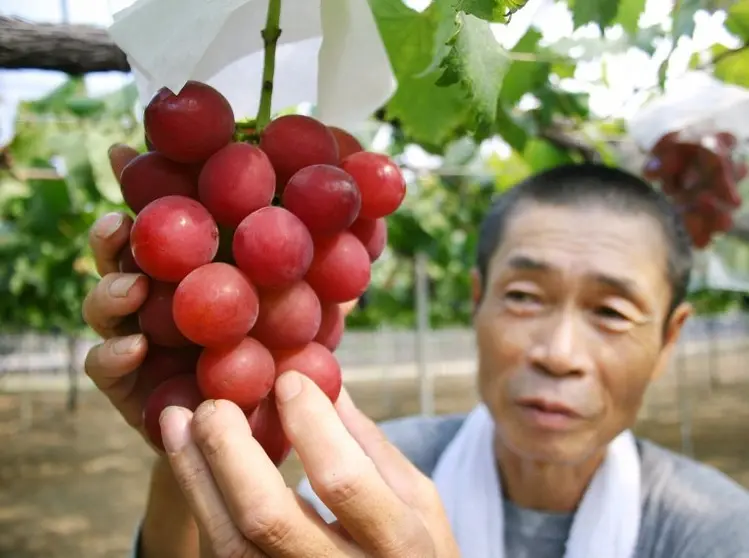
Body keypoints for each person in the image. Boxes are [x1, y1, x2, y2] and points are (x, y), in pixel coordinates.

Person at [82, 146, 749, 558]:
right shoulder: (371, 473)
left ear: (668, 339)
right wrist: (190, 437)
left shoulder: (716, 531)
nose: (557, 352)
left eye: (609, 311)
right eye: (522, 296)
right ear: (476, 301)